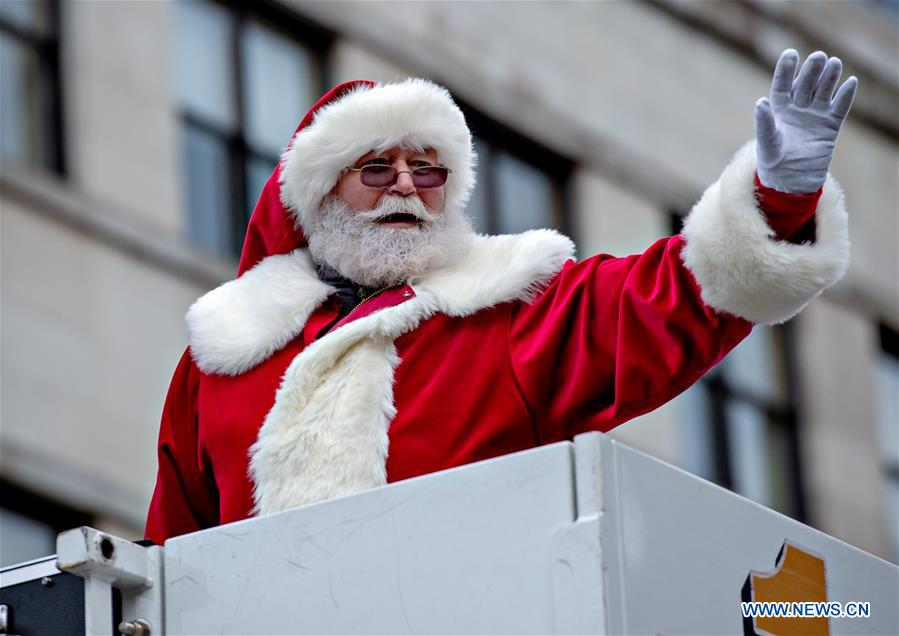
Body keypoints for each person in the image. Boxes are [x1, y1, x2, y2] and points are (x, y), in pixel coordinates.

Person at [145, 50, 855, 544]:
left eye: (426, 170)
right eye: (374, 166)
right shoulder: (221, 361)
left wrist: (776, 197)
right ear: (317, 191)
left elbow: (669, 296)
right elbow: (168, 557)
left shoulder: (511, 313)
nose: (403, 185)